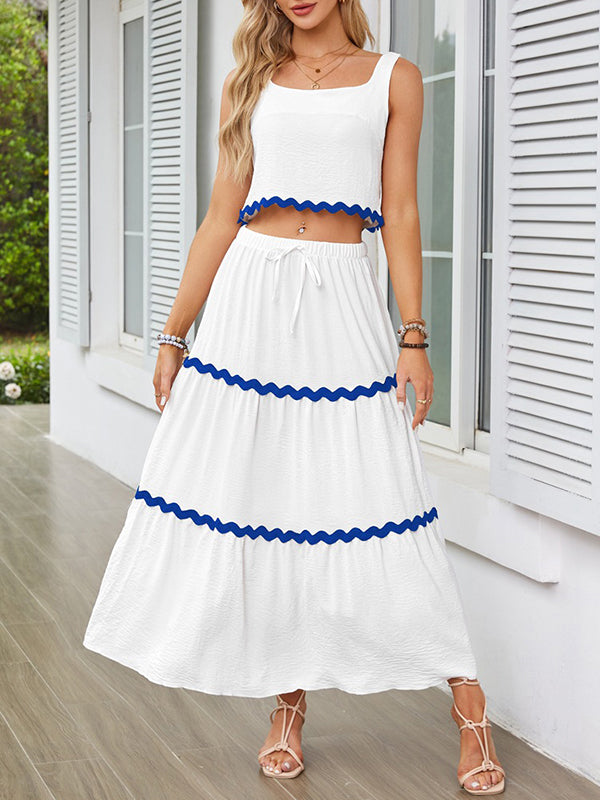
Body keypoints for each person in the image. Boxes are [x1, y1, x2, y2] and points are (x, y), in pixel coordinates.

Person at [83, 0, 505, 794]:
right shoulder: (251, 79)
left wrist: (414, 335)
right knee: (271, 498)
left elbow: (401, 211)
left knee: (383, 492)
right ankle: (287, 707)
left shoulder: (394, 78)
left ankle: (470, 707)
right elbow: (220, 216)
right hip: (250, 301)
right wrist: (174, 333)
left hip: (344, 298)